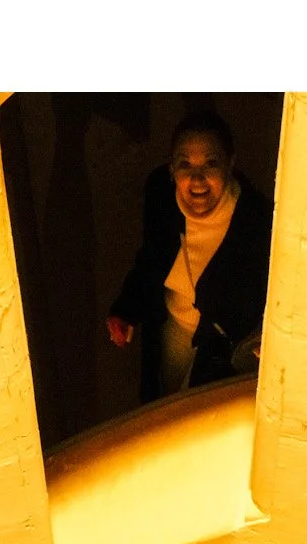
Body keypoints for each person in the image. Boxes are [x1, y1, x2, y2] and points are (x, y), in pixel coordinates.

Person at [105, 108, 274, 404]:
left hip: (220, 348)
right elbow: (150, 260)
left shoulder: (255, 221)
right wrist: (127, 309)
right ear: (172, 168)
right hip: (172, 330)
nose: (197, 180)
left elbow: (266, 295)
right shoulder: (161, 195)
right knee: (162, 403)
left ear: (230, 164)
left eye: (210, 163)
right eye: (186, 165)